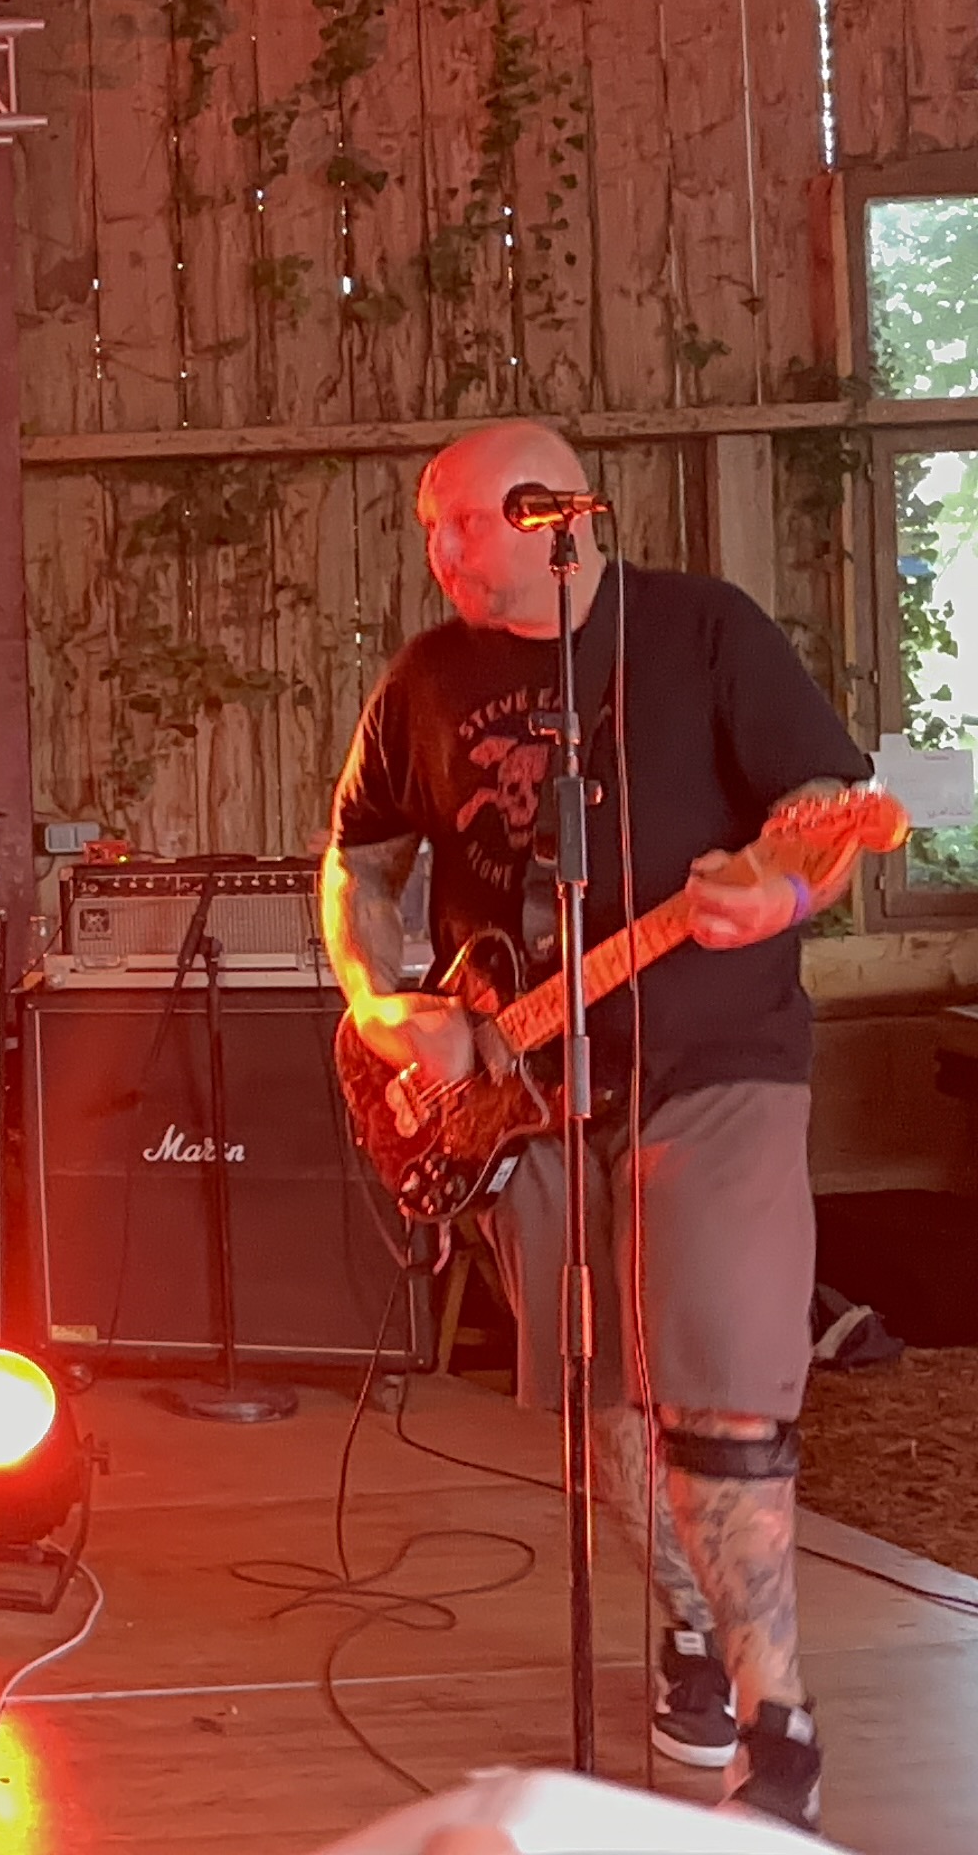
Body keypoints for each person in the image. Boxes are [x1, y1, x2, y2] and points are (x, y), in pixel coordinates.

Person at [320, 422, 872, 1831]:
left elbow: (829, 807)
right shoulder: (424, 680)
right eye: (430, 526)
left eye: (463, 522)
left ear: (552, 514)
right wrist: (383, 1005)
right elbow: (361, 860)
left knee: (724, 1388)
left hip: (716, 1059)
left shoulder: (703, 633)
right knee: (608, 1402)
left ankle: (779, 1721)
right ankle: (687, 1622)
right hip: (525, 1093)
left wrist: (780, 891)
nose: (441, 551)